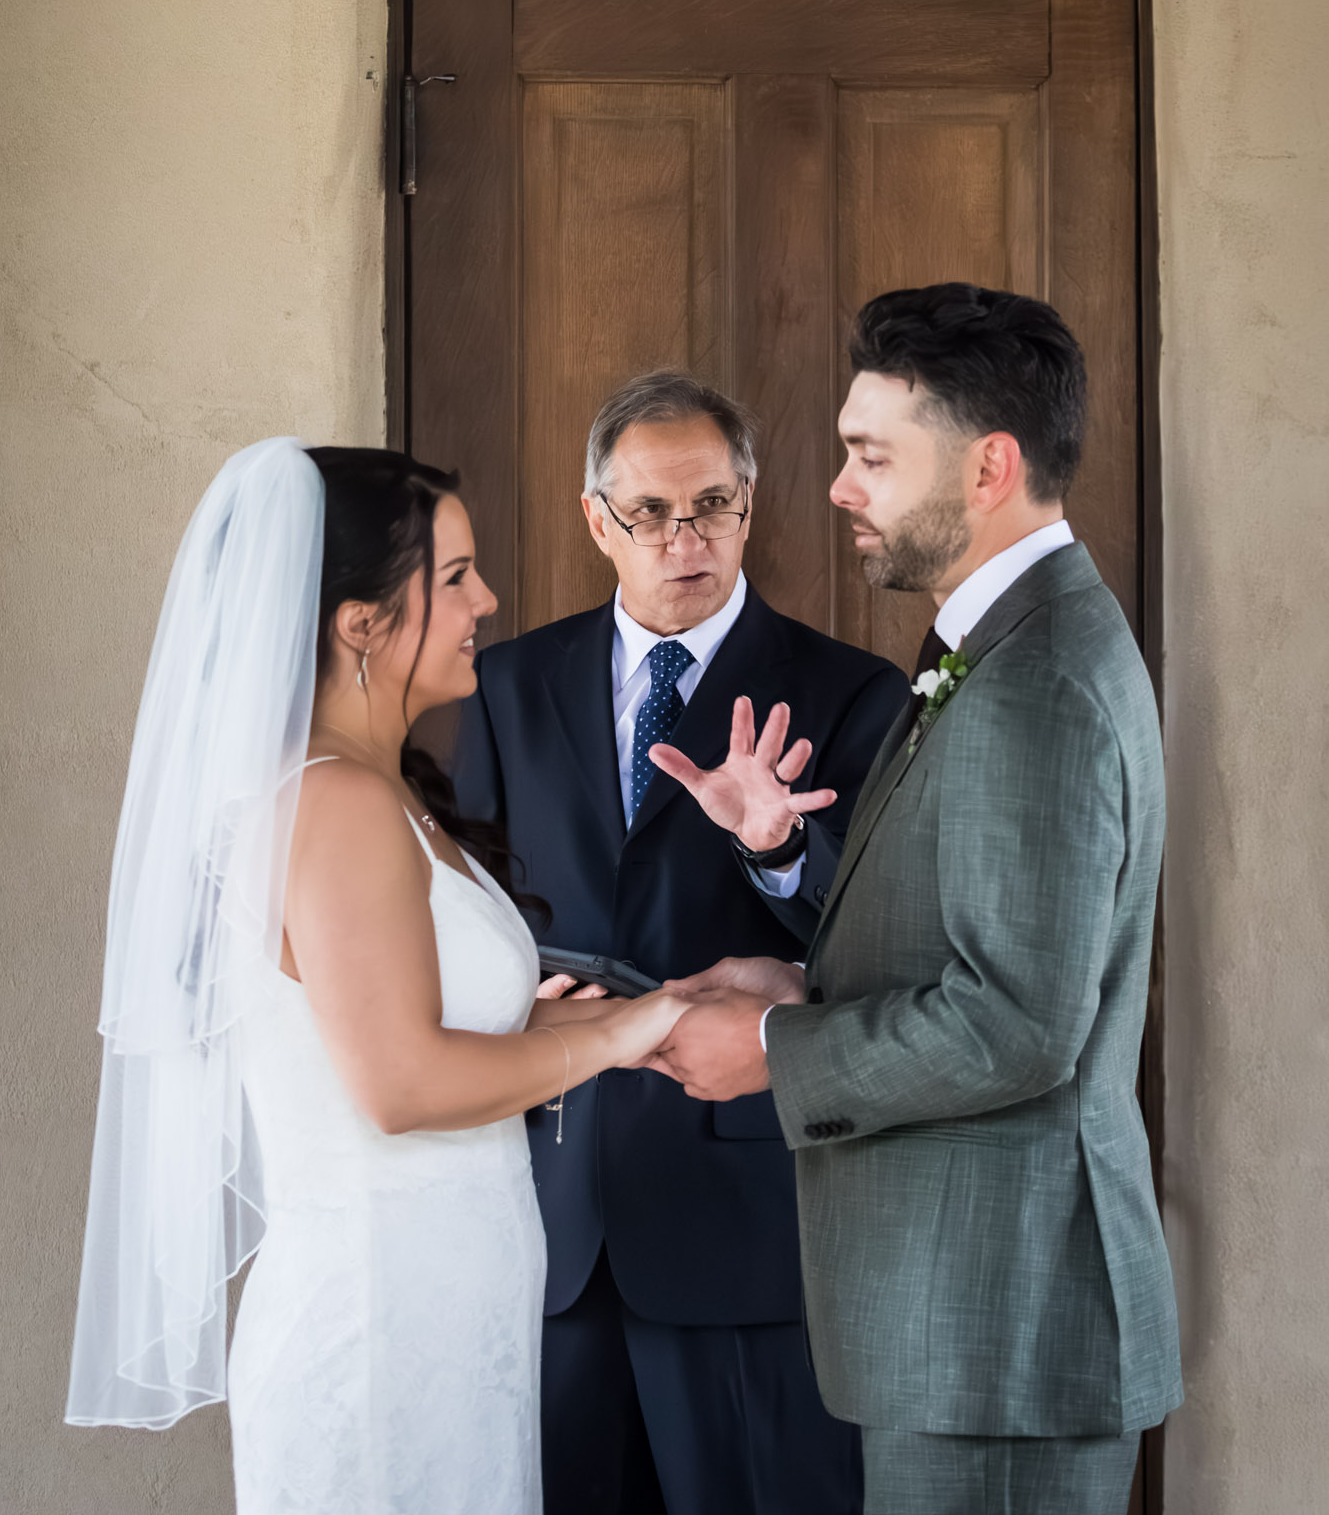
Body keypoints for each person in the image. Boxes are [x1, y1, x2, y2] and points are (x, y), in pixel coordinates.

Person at [66, 439, 685, 1515]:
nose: (487, 599)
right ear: (359, 620)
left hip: (445, 1316)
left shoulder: (380, 790)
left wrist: (520, 1018)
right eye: (453, 578)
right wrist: (627, 1028)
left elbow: (371, 1016)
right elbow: (399, 1084)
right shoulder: (336, 802)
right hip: (376, 1327)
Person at [647, 287, 1183, 1515]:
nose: (838, 486)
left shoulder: (1035, 678)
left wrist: (778, 1046)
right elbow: (984, 949)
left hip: (998, 1330)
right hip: (971, 1323)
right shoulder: (1002, 647)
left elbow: (1015, 1021)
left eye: (870, 455)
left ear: (988, 464)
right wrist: (785, 868)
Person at [452, 371, 909, 1515]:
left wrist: (775, 850)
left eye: (711, 503)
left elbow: (885, 950)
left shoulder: (849, 692)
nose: (683, 536)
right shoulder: (505, 684)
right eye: (650, 511)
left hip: (746, 1215)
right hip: (552, 1213)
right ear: (597, 518)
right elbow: (466, 911)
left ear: (750, 505)